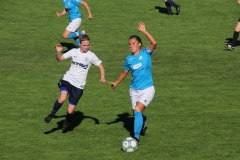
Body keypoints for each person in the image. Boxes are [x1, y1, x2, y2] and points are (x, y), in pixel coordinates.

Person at [108, 22, 157, 143]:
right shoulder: (128, 59)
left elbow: (154, 43)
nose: (131, 46)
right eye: (130, 44)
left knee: (137, 111)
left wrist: (144, 31)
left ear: (139, 44)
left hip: (147, 89)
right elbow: (124, 73)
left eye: (133, 44)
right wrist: (116, 82)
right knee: (136, 113)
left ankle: (136, 137)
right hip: (134, 90)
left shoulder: (146, 53)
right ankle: (143, 120)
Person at [44, 34, 106, 131]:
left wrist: (102, 77)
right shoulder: (74, 51)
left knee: (70, 111)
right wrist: (58, 52)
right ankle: (51, 114)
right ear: (80, 44)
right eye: (84, 45)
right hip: (68, 80)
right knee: (62, 98)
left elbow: (101, 67)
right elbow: (59, 59)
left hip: (79, 85)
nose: (86, 47)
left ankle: (67, 120)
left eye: (88, 45)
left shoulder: (91, 55)